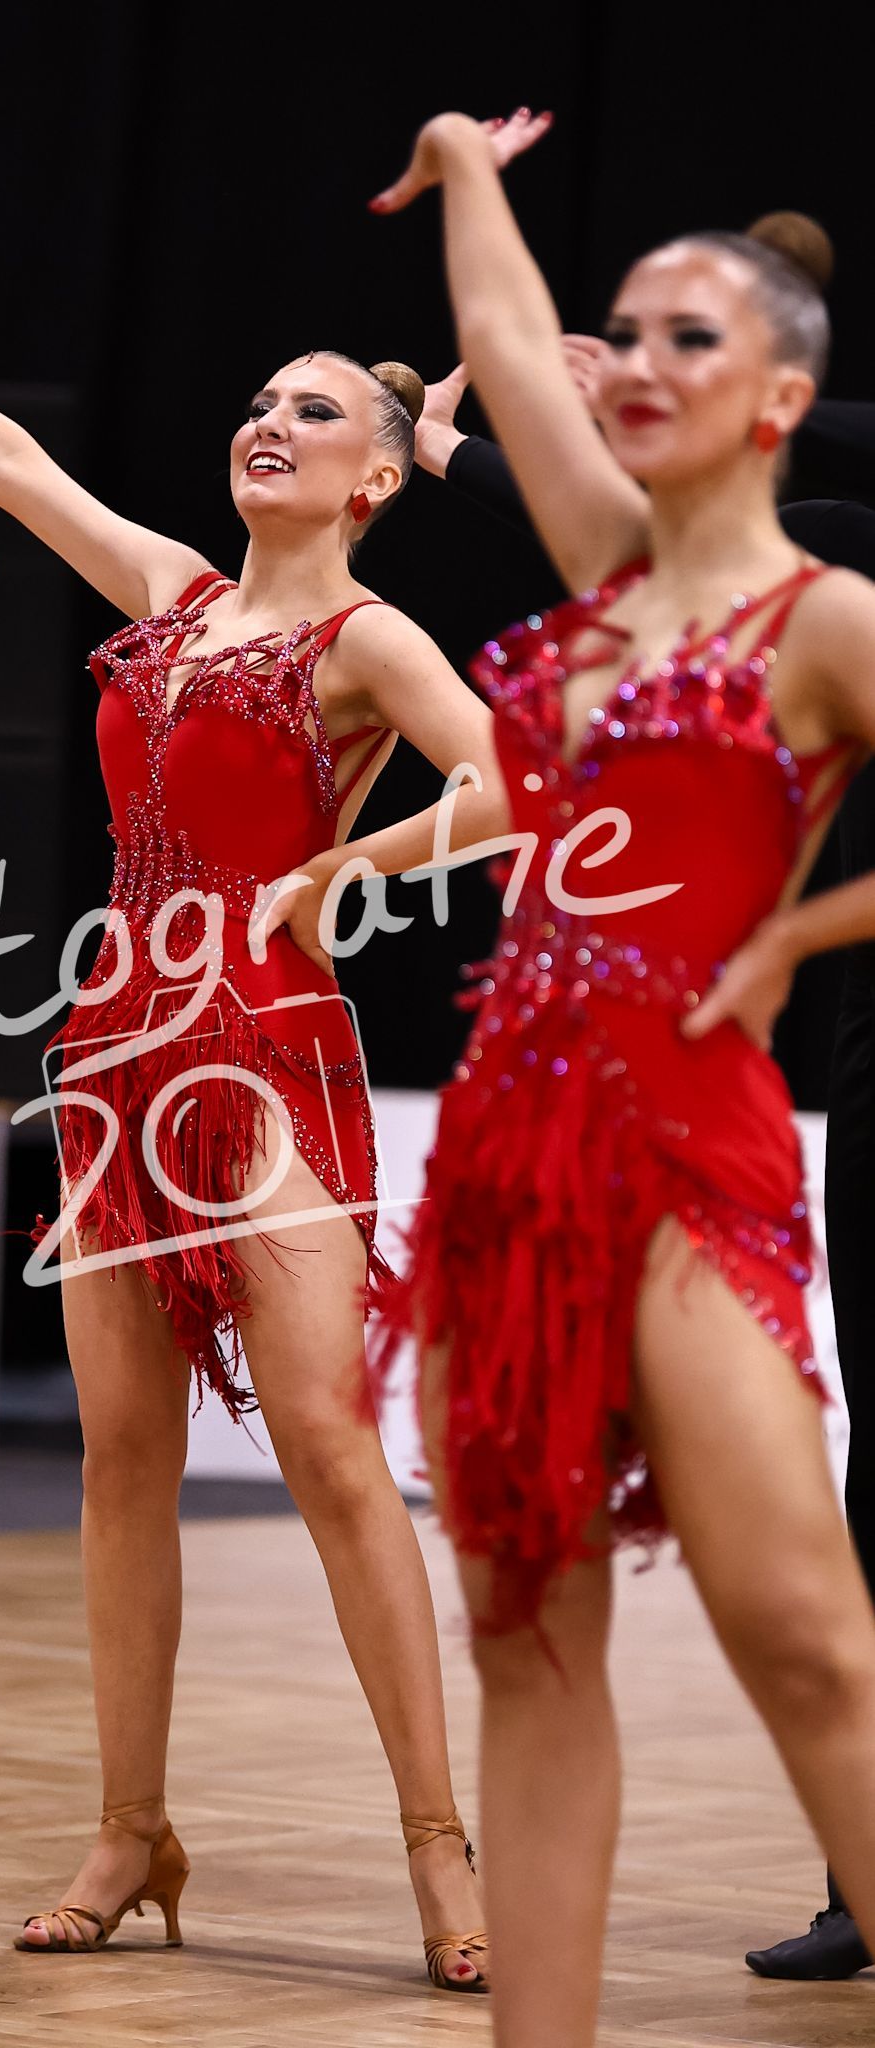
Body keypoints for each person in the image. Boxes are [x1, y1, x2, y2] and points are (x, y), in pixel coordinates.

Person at [0, 322, 515, 1984]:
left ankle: (435, 1843)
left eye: (312, 411)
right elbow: (8, 469)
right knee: (120, 1460)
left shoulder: (365, 637)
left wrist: (346, 871)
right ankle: (131, 1831)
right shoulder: (172, 595)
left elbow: (508, 780)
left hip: (266, 1051)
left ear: (374, 478)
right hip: (117, 1051)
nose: (269, 422)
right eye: (258, 401)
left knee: (326, 1442)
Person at [362, 104, 875, 2045]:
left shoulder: (823, 618)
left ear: (780, 398)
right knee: (525, 1641)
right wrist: (463, 166)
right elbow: (503, 339)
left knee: (803, 1640)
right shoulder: (599, 572)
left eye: (687, 337)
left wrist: (797, 938)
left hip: (687, 1145)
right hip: (503, 1153)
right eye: (627, 329)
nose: (635, 359)